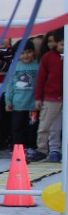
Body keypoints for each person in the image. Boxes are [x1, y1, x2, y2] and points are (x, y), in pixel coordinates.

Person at [35, 30, 64, 163]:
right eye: (60, 44)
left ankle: (58, 150)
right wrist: (38, 98)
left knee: (59, 126)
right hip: (51, 97)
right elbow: (41, 79)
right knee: (49, 125)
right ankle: (47, 150)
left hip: (65, 96)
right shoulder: (48, 57)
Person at [7, 42, 40, 153]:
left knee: (32, 127)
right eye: (21, 53)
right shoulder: (15, 66)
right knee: (17, 128)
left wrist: (39, 100)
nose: (25, 56)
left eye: (28, 52)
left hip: (33, 106)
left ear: (34, 52)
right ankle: (18, 149)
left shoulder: (38, 66)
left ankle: (31, 148)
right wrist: (8, 101)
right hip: (18, 105)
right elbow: (10, 85)